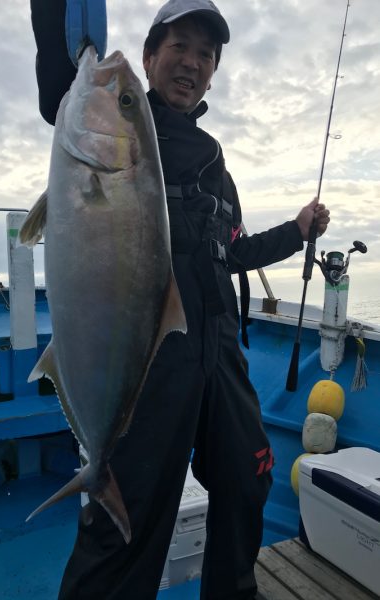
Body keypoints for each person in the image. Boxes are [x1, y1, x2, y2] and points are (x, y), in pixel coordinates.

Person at [30, 1, 330, 598]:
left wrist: (297, 232)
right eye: (179, 47)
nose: (192, 63)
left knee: (249, 480)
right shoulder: (121, 128)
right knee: (131, 512)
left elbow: (233, 251)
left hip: (219, 350)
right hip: (149, 351)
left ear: (214, 73)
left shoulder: (216, 162)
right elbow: (63, 75)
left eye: (206, 54)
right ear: (149, 58)